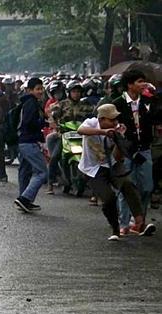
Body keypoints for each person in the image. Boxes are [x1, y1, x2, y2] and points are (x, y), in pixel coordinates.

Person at [77, 104, 156, 240]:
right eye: (111, 120)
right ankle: (115, 229)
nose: (115, 123)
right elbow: (81, 130)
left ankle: (139, 223)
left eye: (115, 120)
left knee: (128, 185)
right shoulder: (91, 122)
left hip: (112, 164)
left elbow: (118, 157)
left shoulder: (117, 129)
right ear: (102, 119)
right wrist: (104, 132)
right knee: (108, 198)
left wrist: (119, 139)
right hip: (92, 169)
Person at [112, 69, 159, 235]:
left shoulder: (147, 101)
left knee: (147, 187)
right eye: (139, 81)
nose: (143, 84)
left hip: (144, 150)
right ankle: (123, 223)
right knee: (126, 187)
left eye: (143, 81)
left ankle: (139, 221)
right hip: (126, 152)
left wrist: (155, 97)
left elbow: (157, 118)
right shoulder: (117, 104)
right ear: (129, 85)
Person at [48, 80, 95, 194]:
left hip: (81, 136)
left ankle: (93, 186)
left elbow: (93, 117)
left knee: (94, 156)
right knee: (54, 157)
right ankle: (50, 182)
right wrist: (56, 126)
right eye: (74, 91)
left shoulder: (86, 105)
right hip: (64, 135)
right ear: (69, 92)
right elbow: (52, 117)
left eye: (78, 91)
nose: (76, 94)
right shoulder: (61, 104)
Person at [14, 78, 48, 213]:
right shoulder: (31, 103)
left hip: (23, 141)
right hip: (28, 142)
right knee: (42, 172)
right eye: (37, 89)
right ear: (30, 90)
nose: (40, 91)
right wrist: (43, 122)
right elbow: (29, 122)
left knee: (25, 171)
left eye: (41, 88)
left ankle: (24, 200)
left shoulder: (28, 102)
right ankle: (25, 198)